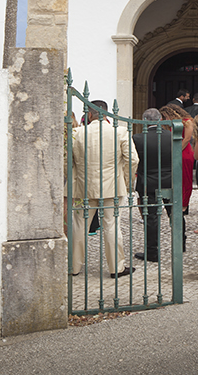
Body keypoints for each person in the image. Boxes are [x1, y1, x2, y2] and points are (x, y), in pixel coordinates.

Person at [69, 100, 138, 278]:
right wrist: (125, 180)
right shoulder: (120, 131)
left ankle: (74, 267)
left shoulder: (77, 132)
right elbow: (133, 160)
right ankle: (116, 268)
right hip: (112, 186)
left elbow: (67, 161)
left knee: (79, 226)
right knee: (112, 226)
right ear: (106, 114)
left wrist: (73, 178)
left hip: (83, 186)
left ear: (89, 114)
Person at [132, 107, 177, 263]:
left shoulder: (137, 138)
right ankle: (180, 243)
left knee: (151, 217)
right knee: (174, 213)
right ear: (160, 120)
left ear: (144, 121)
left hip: (147, 182)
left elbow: (135, 160)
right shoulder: (171, 136)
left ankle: (152, 252)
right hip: (169, 179)